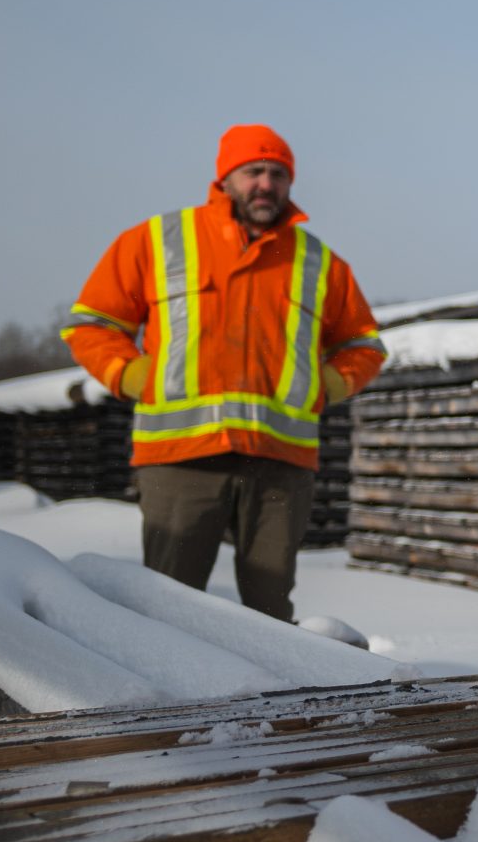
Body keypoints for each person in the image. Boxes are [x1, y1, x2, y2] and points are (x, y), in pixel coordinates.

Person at [61, 125, 386, 620]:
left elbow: (363, 344)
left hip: (280, 460)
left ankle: (274, 698)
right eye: (253, 171)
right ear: (225, 178)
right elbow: (91, 325)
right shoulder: (158, 240)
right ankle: (166, 699)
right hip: (181, 457)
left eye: (279, 173)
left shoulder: (319, 261)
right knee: (168, 605)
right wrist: (134, 377)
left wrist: (328, 385)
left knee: (270, 610)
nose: (266, 183)